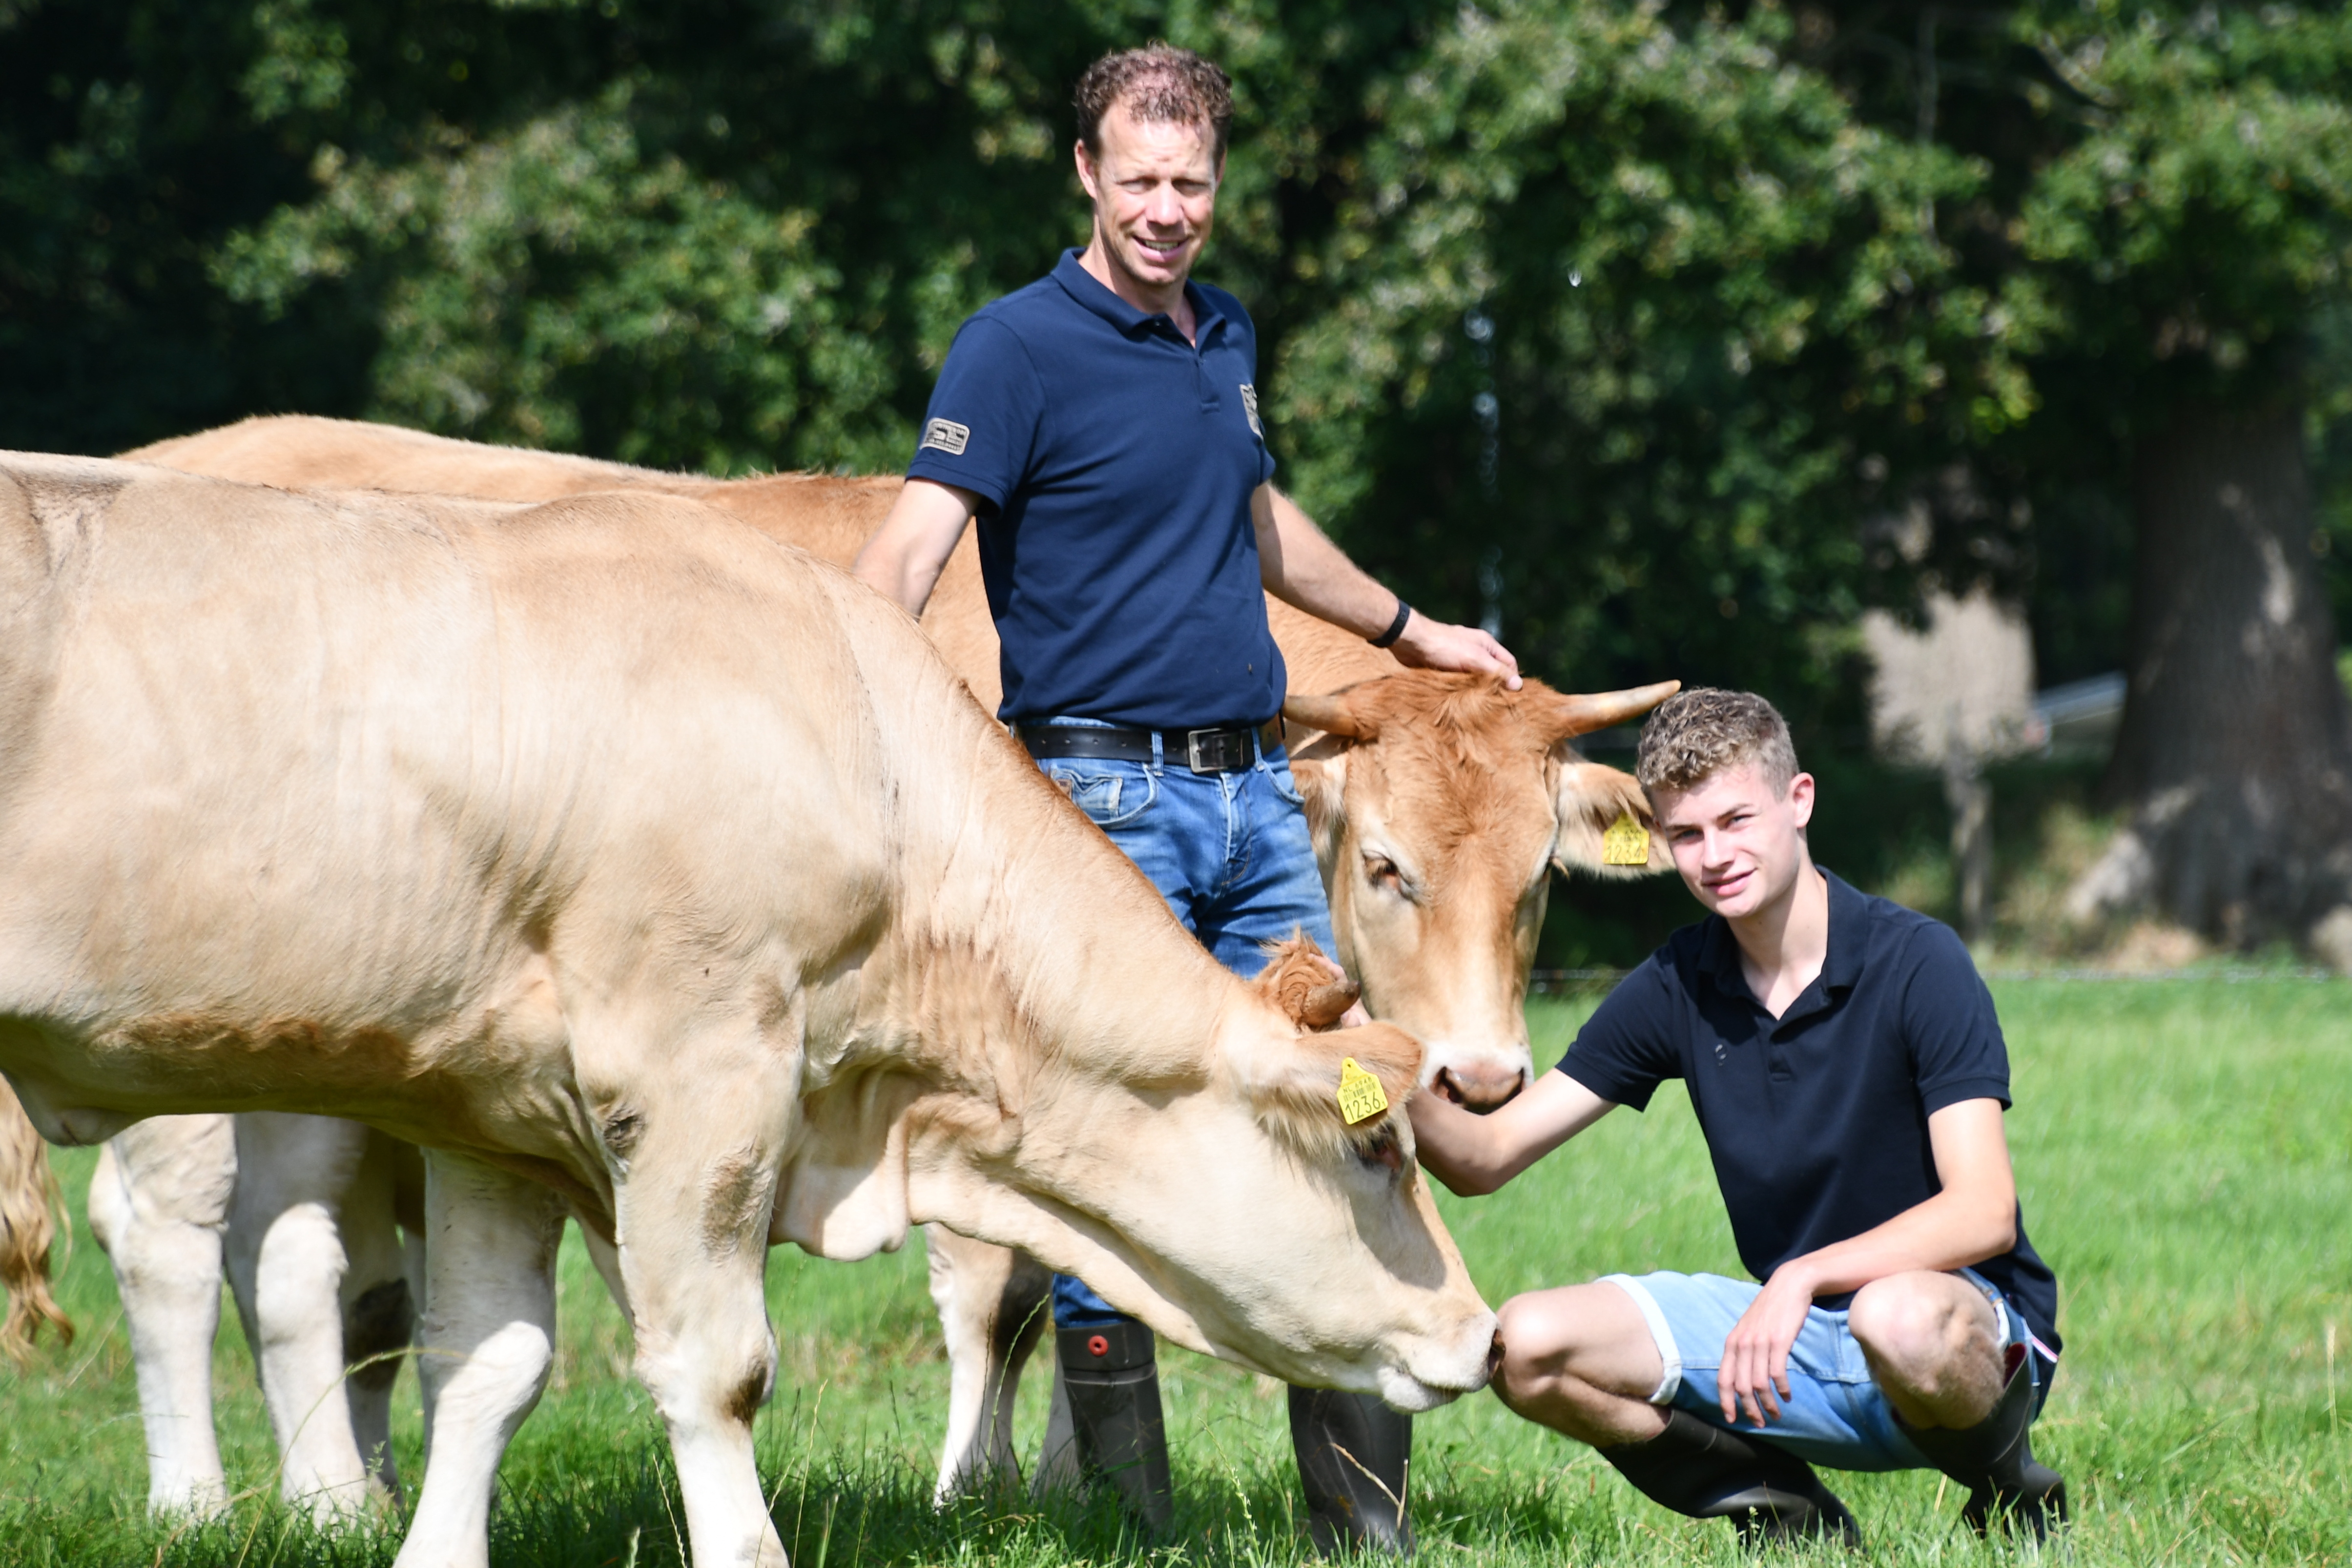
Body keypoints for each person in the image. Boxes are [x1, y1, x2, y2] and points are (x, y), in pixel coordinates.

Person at [852, 42, 1516, 1551]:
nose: (1166, 210)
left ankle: (1362, 1525)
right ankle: (1131, 1526)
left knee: (1358, 1106)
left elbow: (1260, 522)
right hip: (1103, 810)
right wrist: (859, 729)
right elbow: (906, 558)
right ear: (1086, 174)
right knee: (1119, 1147)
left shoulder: (1222, 335)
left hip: (1253, 817)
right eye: (1139, 180)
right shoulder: (1009, 349)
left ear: (1217, 187)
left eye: (1191, 185)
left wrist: (1414, 629)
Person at [1409, 688, 2067, 1547]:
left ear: (1798, 804)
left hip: (1956, 1334)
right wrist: (1359, 1068)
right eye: (1685, 835)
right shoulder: (1680, 981)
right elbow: (1485, 1155)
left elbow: (1983, 1212)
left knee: (1892, 1316)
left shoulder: (1917, 961)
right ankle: (1785, 1515)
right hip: (1788, 1345)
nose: (1714, 855)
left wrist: (1801, 1277)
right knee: (1526, 1346)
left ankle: (2009, 1484)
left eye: (1736, 821)